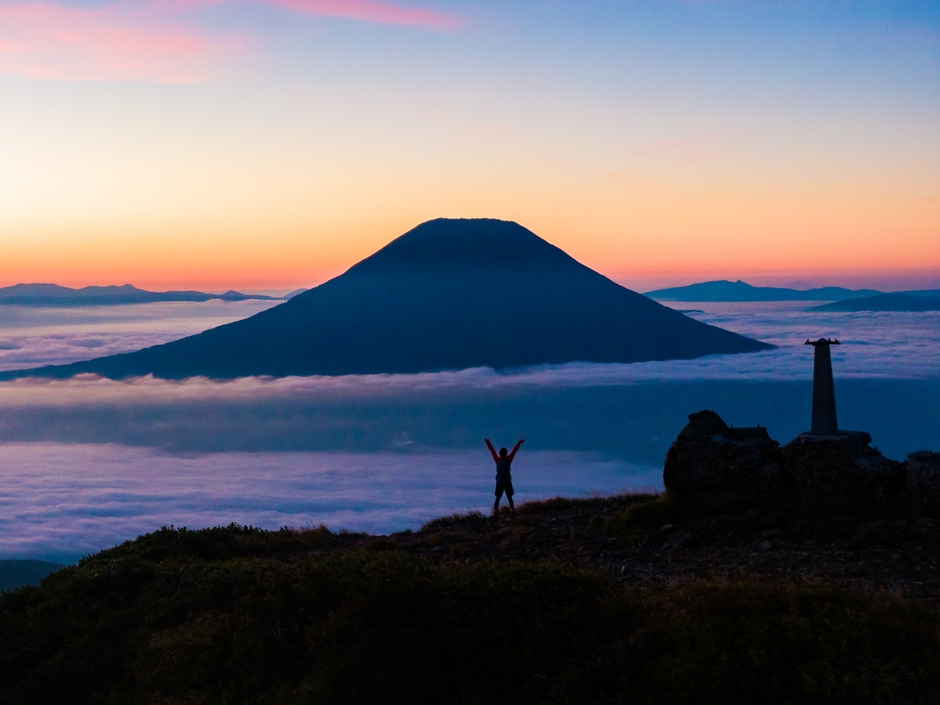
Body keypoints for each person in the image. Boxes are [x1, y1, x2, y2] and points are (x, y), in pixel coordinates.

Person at [485, 437, 524, 514]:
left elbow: (492, 451)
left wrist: (488, 443)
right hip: (507, 481)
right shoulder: (508, 459)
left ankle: (495, 510)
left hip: (499, 481)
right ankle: (512, 510)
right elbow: (514, 451)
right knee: (509, 497)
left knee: (498, 497)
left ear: (500, 453)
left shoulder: (497, 460)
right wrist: (518, 443)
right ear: (506, 453)